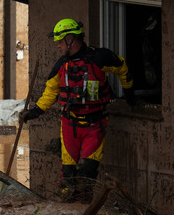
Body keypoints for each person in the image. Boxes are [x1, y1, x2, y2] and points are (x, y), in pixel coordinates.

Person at [21, 19, 134, 196]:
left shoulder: (100, 57)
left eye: (60, 42)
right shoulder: (61, 66)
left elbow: (122, 67)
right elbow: (50, 92)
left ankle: (83, 207)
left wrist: (129, 93)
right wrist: (34, 112)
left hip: (95, 125)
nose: (58, 46)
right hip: (70, 125)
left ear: (70, 39)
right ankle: (67, 207)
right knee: (68, 176)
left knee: (87, 172)